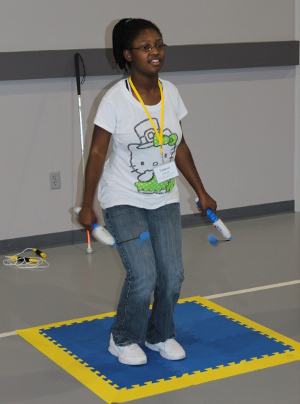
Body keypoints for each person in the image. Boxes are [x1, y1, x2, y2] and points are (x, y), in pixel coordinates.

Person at [79, 18, 217, 366]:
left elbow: (179, 144)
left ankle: (159, 334)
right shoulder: (115, 99)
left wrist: (201, 190)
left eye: (158, 44)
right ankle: (123, 337)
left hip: (164, 196)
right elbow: (97, 153)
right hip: (123, 197)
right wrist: (87, 205)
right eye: (145, 47)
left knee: (172, 276)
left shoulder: (170, 92)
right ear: (128, 54)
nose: (155, 52)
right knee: (144, 275)